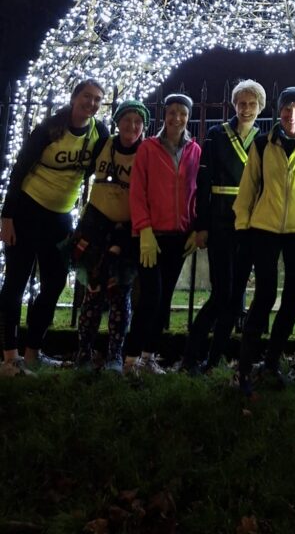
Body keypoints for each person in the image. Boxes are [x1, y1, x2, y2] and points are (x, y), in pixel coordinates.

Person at [0, 79, 109, 376]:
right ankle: (9, 357)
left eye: (98, 99)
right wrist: (6, 217)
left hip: (60, 217)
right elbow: (20, 168)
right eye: (87, 96)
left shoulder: (100, 132)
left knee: (54, 284)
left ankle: (33, 352)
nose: (92, 103)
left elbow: (103, 169)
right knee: (15, 283)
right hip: (26, 211)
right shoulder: (50, 128)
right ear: (74, 98)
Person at [235, 86, 295, 391]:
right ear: (279, 112)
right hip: (264, 229)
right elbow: (248, 188)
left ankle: (272, 361)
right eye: (287, 109)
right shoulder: (262, 144)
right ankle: (246, 367)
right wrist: (242, 226)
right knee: (265, 296)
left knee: (291, 300)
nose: (292, 115)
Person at [180, 79, 266, 374]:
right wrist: (201, 225)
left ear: (260, 107)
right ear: (234, 105)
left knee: (235, 295)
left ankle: (213, 360)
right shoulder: (217, 135)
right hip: (218, 223)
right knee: (221, 294)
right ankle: (190, 354)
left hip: (248, 225)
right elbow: (202, 183)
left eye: (251, 104)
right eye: (241, 103)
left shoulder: (263, 140)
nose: (245, 109)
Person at [126, 93, 201, 374]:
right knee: (150, 297)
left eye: (182, 112)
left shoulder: (194, 150)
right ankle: (130, 358)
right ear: (164, 115)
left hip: (179, 237)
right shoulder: (148, 148)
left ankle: (148, 357)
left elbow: (196, 193)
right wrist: (143, 229)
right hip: (151, 236)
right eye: (171, 112)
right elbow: (137, 191)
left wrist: (194, 228)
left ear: (188, 116)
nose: (176, 117)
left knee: (165, 297)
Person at [73, 98, 150, 372]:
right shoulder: (102, 144)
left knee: (120, 294)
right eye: (127, 120)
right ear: (117, 122)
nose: (132, 126)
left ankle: (115, 354)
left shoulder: (146, 152)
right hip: (96, 226)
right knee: (92, 291)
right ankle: (84, 352)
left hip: (127, 231)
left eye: (138, 122)